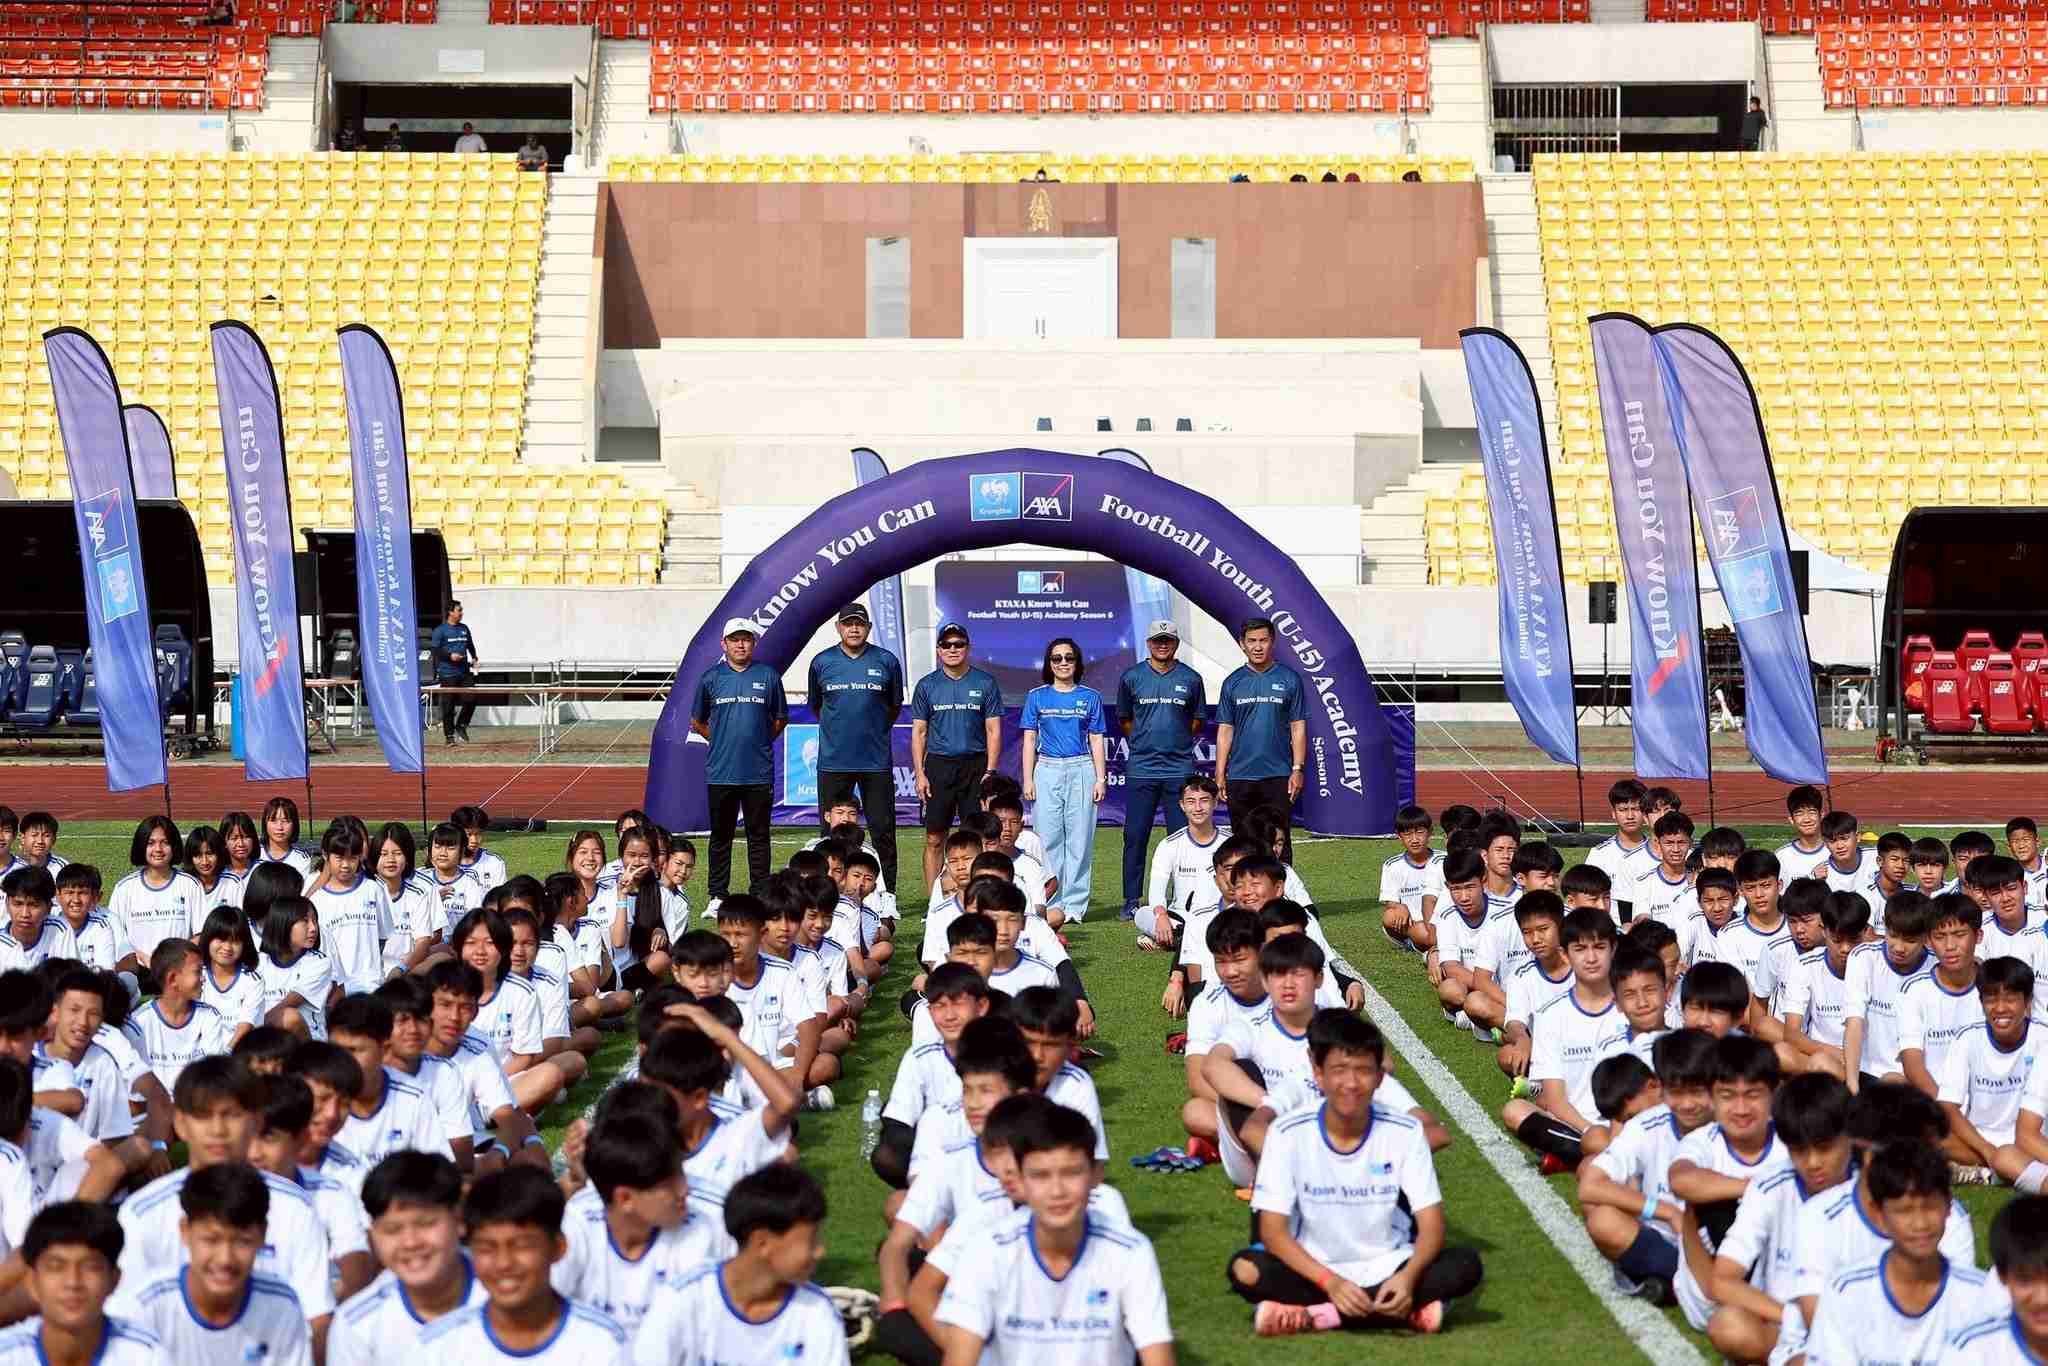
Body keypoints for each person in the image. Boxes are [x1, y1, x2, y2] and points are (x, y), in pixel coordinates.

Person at [1230, 1011, 1481, 1337]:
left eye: (1363, 1071)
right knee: (1245, 1270)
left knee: (1466, 1265)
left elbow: (1432, 1226)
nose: (1351, 1083)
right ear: (1318, 1074)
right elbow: (1272, 1231)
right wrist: (1330, 1282)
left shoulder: (1406, 1132)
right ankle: (1397, 1312)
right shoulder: (1286, 1133)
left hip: (1389, 1265)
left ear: (1379, 1078)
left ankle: (1320, 1315)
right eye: (1339, 1070)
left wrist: (1407, 1279)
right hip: (1314, 1269)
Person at [932, 1102, 1172, 1365]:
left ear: (1096, 1175)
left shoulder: (1130, 1251)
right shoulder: (987, 1251)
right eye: (1040, 1175)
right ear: (1019, 1180)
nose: (1057, 1191)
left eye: (1071, 1173)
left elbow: (1158, 1357)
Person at [630, 1165, 847, 1366]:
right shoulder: (682, 1301)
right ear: (762, 1243)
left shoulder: (818, 1313)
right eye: (811, 1240)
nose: (819, 1251)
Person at [418, 1165, 628, 1360]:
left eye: (521, 1246)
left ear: (558, 1247)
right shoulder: (437, 1348)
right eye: (487, 1248)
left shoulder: (603, 1345)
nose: (504, 1263)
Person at [125, 1162, 313, 1365]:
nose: (225, 1259)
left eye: (242, 1241)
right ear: (185, 1231)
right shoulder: (142, 1308)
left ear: (263, 1234)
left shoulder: (282, 1308)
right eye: (211, 1240)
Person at [327, 1152, 487, 1362]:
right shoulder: (356, 1325)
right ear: (373, 1235)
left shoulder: (512, 1291)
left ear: (459, 1220)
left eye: (425, 1223)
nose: (410, 1242)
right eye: (392, 1229)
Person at [806, 602, 905, 893]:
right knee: (831, 834)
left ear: (868, 628)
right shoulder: (822, 662)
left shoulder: (886, 661)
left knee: (883, 831)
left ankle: (886, 896)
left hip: (875, 762)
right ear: (838, 627)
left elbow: (893, 707)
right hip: (833, 762)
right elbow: (817, 706)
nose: (854, 629)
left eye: (859, 624)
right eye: (848, 624)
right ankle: (830, 893)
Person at [691, 618, 788, 907]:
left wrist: (759, 741)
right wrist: (720, 739)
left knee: (759, 837)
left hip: (758, 772)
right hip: (721, 772)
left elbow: (780, 719)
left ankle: (760, 894)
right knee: (721, 837)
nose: (740, 644)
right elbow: (697, 721)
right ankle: (717, 895)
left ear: (753, 643)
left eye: (745, 639)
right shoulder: (710, 678)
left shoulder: (768, 676)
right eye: (735, 639)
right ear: (724, 644)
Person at [1116, 620, 1204, 920]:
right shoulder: (1132, 677)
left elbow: (1196, 720)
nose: (1162, 644)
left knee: (1181, 838)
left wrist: (1176, 742)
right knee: (1135, 835)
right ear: (1148, 643)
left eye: (1167, 640)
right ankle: (1131, 899)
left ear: (1176, 643)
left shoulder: (1191, 678)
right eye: (1157, 640)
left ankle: (1182, 899)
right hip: (1142, 769)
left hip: (1179, 770)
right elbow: (1125, 719)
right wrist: (1143, 742)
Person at [0, 1203, 162, 1366]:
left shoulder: (146, 1357)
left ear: (114, 1280)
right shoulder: (6, 1356)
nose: (73, 1282)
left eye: (90, 1267)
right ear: (32, 1282)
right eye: (56, 1267)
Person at [1020, 637, 1107, 926]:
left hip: (1081, 768)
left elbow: (1096, 739)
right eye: (1057, 658)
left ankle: (1075, 906)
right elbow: (1029, 739)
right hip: (1047, 768)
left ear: (1077, 662)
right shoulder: (1036, 696)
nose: (1063, 663)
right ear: (1049, 663)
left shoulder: (1091, 697)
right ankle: (1052, 903)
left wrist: (1100, 778)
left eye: (1069, 657)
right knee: (1048, 840)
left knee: (1080, 839)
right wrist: (1028, 779)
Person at [911, 621, 1003, 890]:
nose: (953, 649)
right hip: (939, 767)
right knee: (934, 838)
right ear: (939, 650)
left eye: (958, 644)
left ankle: (975, 896)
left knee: (976, 838)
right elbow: (919, 733)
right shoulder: (927, 685)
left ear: (968, 648)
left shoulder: (985, 683)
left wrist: (990, 772)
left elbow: (993, 730)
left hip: (975, 767)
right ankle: (935, 902)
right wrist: (920, 774)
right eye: (947, 644)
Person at [1213, 617, 1306, 841]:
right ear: (1242, 644)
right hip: (1240, 777)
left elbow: (1298, 728)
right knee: (1243, 844)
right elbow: (1225, 731)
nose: (1257, 646)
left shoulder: (1290, 679)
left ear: (1272, 642)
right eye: (1252, 640)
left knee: (1278, 844)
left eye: (1263, 640)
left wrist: (1297, 769)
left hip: (1278, 776)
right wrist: (1220, 773)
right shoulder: (1232, 682)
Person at [430, 601, 479, 746]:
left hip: (464, 672)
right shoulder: (440, 630)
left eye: (461, 610)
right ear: (450, 612)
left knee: (472, 699)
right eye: (459, 610)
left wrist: (474, 657)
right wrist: (450, 656)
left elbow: (470, 645)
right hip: (447, 673)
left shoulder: (464, 628)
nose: (461, 613)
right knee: (448, 706)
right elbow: (435, 651)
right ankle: (449, 736)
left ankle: (461, 726)